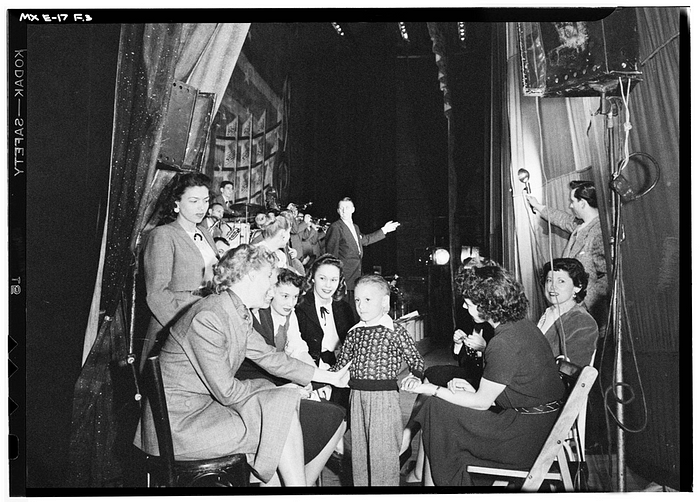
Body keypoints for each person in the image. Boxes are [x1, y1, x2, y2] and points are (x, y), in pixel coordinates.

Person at [134, 244, 351, 487]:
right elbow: (227, 392)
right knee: (279, 416)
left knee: (280, 412)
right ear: (251, 276)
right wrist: (274, 390)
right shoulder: (209, 317)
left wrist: (331, 377)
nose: (272, 287)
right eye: (270, 277)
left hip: (204, 411)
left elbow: (270, 357)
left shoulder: (234, 311)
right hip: (179, 427)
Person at [400, 264, 566, 486]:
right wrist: (472, 389)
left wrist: (430, 389)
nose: (464, 307)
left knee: (436, 407)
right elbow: (515, 386)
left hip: (524, 439)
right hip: (537, 426)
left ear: (487, 305)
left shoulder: (503, 342)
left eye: (468, 303)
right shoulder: (520, 326)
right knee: (438, 409)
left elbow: (480, 403)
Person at [234, 267, 348, 477]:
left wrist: (314, 382)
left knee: (339, 419)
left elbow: (298, 350)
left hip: (277, 386)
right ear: (270, 292)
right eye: (284, 296)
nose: (290, 303)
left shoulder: (290, 315)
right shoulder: (254, 315)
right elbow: (266, 363)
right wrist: (293, 386)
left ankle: (301, 482)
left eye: (295, 297)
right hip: (257, 392)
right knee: (326, 416)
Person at [330, 274, 424, 486]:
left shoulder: (395, 331)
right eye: (357, 300)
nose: (361, 306)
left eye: (368, 300)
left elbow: (416, 360)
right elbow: (340, 365)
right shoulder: (354, 333)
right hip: (356, 398)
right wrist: (314, 380)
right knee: (360, 455)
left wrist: (414, 376)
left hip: (384, 399)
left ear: (385, 302)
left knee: (383, 454)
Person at [140, 172, 219, 371]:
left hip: (204, 321)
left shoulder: (205, 233)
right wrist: (183, 329)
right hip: (173, 325)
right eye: (194, 201)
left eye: (206, 201)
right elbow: (157, 293)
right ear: (177, 204)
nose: (202, 207)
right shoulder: (163, 235)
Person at [296, 254, 356, 460]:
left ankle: (336, 442)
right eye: (322, 278)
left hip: (339, 371)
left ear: (340, 281)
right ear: (312, 277)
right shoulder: (299, 306)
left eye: (333, 279)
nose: (328, 285)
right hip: (310, 370)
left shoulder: (344, 308)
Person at [526, 180, 608, 327]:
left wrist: (582, 304)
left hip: (587, 314)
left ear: (582, 203)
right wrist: (538, 207)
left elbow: (606, 277)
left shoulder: (599, 232)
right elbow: (563, 219)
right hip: (570, 307)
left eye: (572, 201)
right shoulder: (581, 225)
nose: (570, 206)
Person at [324, 197, 400, 313]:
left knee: (354, 311)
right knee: (344, 313)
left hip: (356, 277)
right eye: (341, 208)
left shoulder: (355, 227)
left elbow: (365, 240)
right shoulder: (335, 227)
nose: (344, 211)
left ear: (353, 209)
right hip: (344, 280)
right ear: (338, 211)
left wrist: (384, 230)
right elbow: (331, 256)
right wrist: (337, 279)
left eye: (347, 208)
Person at [538, 258, 598, 367]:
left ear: (577, 287)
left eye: (561, 281)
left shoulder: (583, 321)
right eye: (549, 280)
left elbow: (573, 368)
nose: (552, 287)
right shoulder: (548, 313)